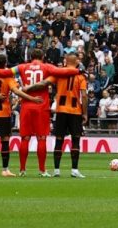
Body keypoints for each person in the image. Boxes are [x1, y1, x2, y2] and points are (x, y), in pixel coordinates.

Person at [49, 50, 89, 179]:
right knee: (75, 140)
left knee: (59, 140)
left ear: (66, 61)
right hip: (75, 111)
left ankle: (56, 170)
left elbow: (47, 82)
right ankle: (74, 170)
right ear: (76, 61)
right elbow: (84, 96)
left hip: (61, 110)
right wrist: (85, 113)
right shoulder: (81, 76)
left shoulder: (59, 74)